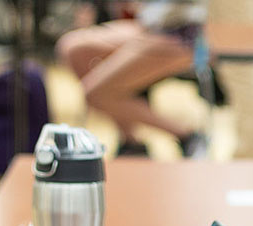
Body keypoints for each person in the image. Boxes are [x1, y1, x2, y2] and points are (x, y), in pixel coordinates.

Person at [56, 1, 208, 158]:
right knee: (72, 47)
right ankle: (131, 141)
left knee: (93, 94)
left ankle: (186, 135)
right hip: (148, 27)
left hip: (178, 35)